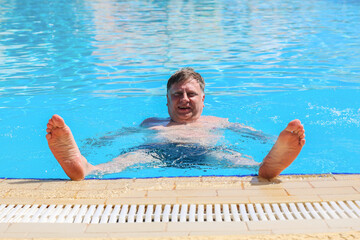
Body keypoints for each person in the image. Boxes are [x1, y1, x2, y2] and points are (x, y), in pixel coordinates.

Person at [46, 68, 305, 181]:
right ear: (167, 101)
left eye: (191, 94)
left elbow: (254, 134)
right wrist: (97, 142)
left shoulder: (218, 122)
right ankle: (84, 166)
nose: (184, 99)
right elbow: (119, 135)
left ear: (203, 99)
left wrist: (274, 141)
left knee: (234, 158)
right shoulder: (151, 122)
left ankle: (266, 167)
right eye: (177, 94)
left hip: (206, 153)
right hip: (154, 152)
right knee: (126, 159)